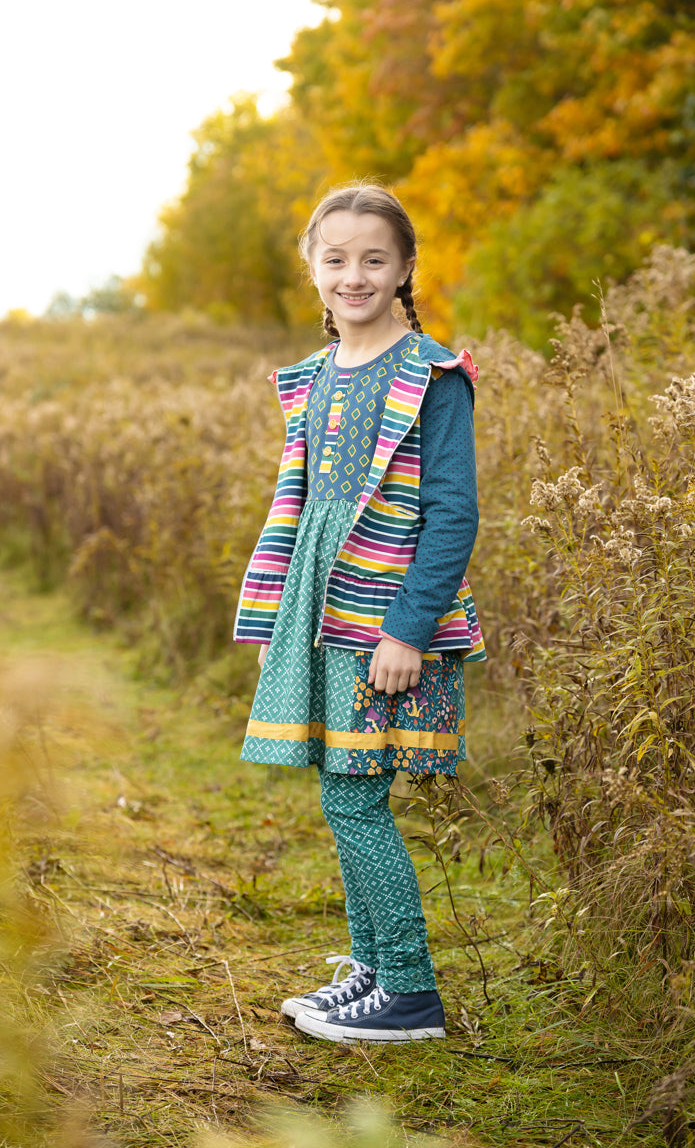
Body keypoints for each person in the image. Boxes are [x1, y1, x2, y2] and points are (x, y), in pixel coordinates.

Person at [233, 183, 484, 1044]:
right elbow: (295, 505)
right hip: (319, 614)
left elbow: (453, 514)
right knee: (342, 793)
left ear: (406, 267)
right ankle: (374, 971)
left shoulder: (433, 377)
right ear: (311, 269)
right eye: (335, 258)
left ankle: (410, 990)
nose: (354, 274)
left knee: (355, 799)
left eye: (374, 258)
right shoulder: (310, 379)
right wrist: (273, 625)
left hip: (383, 622)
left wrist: (408, 630)